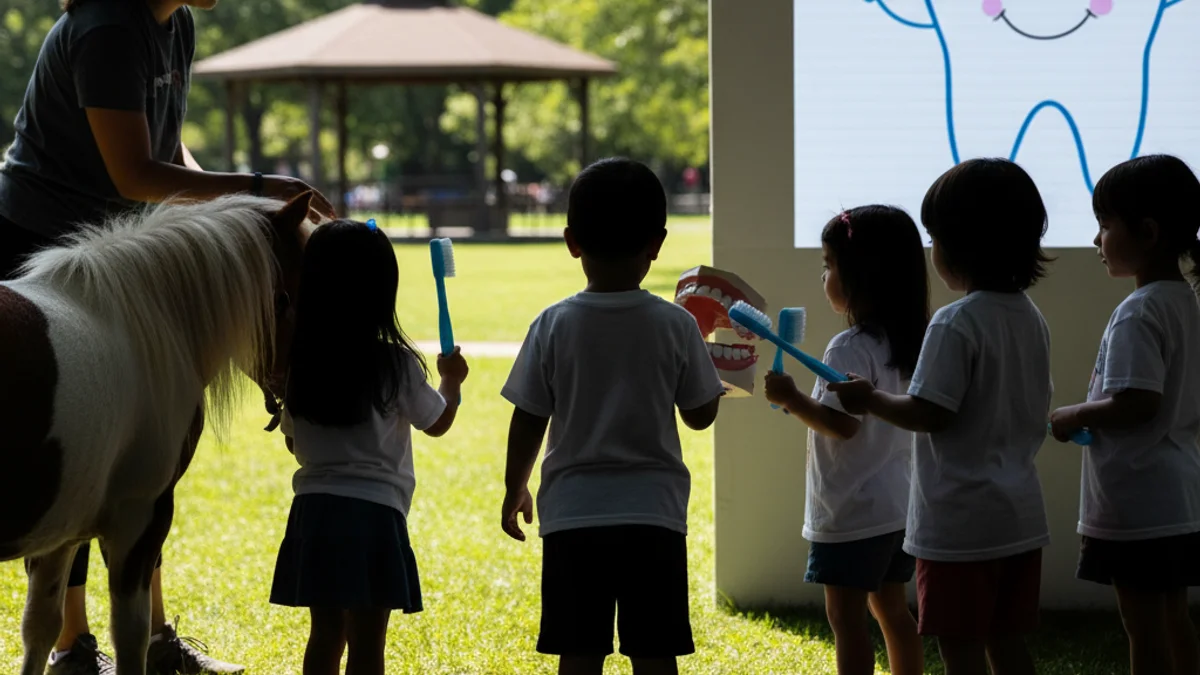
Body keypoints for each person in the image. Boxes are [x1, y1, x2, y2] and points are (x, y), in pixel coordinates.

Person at [0, 0, 333, 671]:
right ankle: (73, 638)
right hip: (46, 241)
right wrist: (263, 190)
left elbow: (167, 149)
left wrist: (234, 197)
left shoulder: (171, 22)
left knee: (145, 458)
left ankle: (147, 636)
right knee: (82, 445)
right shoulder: (109, 31)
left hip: (112, 244)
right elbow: (135, 174)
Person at [499, 157, 725, 675]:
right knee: (654, 652)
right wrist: (711, 365)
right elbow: (699, 416)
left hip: (573, 515)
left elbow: (529, 416)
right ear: (658, 243)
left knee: (578, 652)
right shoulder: (677, 325)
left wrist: (515, 485)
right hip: (654, 516)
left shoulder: (552, 323)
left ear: (571, 240)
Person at [829, 158, 1053, 675]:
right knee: (1008, 643)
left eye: (934, 237)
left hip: (959, 524)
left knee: (961, 647)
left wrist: (870, 400)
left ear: (958, 245)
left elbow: (930, 412)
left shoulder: (955, 321)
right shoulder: (1029, 317)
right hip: (1020, 517)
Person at [271, 219, 468, 675]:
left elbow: (293, 442)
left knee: (325, 636)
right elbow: (437, 423)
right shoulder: (395, 365)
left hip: (314, 513)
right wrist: (452, 383)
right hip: (375, 517)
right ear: (382, 291)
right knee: (367, 642)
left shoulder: (303, 367)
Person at [1049, 154, 1200, 675]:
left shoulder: (1139, 311)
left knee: (1143, 629)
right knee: (1173, 616)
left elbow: (1139, 402)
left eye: (1104, 225)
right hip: (1177, 498)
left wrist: (1069, 414)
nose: (1096, 240)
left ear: (1149, 231)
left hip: (1137, 502)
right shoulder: (1184, 301)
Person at [763, 205, 927, 675]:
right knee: (892, 610)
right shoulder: (910, 340)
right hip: (896, 507)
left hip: (853, 512)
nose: (824, 275)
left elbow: (842, 423)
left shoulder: (849, 346)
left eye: (829, 264)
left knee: (845, 617)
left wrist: (792, 398)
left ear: (862, 274)